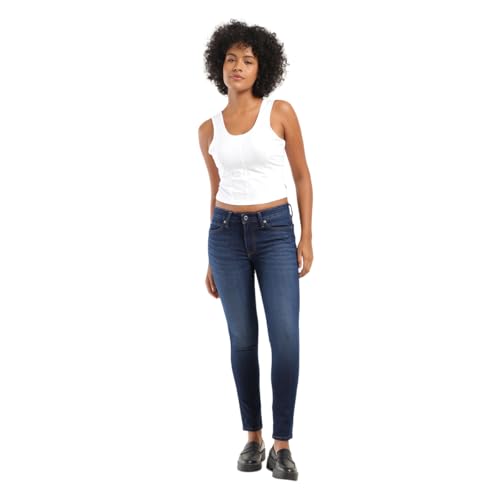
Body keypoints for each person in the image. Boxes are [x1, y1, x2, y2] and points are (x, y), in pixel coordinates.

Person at [198, 19, 313, 481]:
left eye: (247, 60)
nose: (238, 67)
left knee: (285, 338)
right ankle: (253, 436)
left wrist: (306, 236)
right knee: (242, 340)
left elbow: (302, 176)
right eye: (231, 59)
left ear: (261, 67)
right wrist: (210, 256)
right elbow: (215, 190)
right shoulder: (208, 129)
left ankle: (282, 445)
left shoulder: (279, 112)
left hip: (275, 232)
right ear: (219, 67)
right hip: (225, 235)